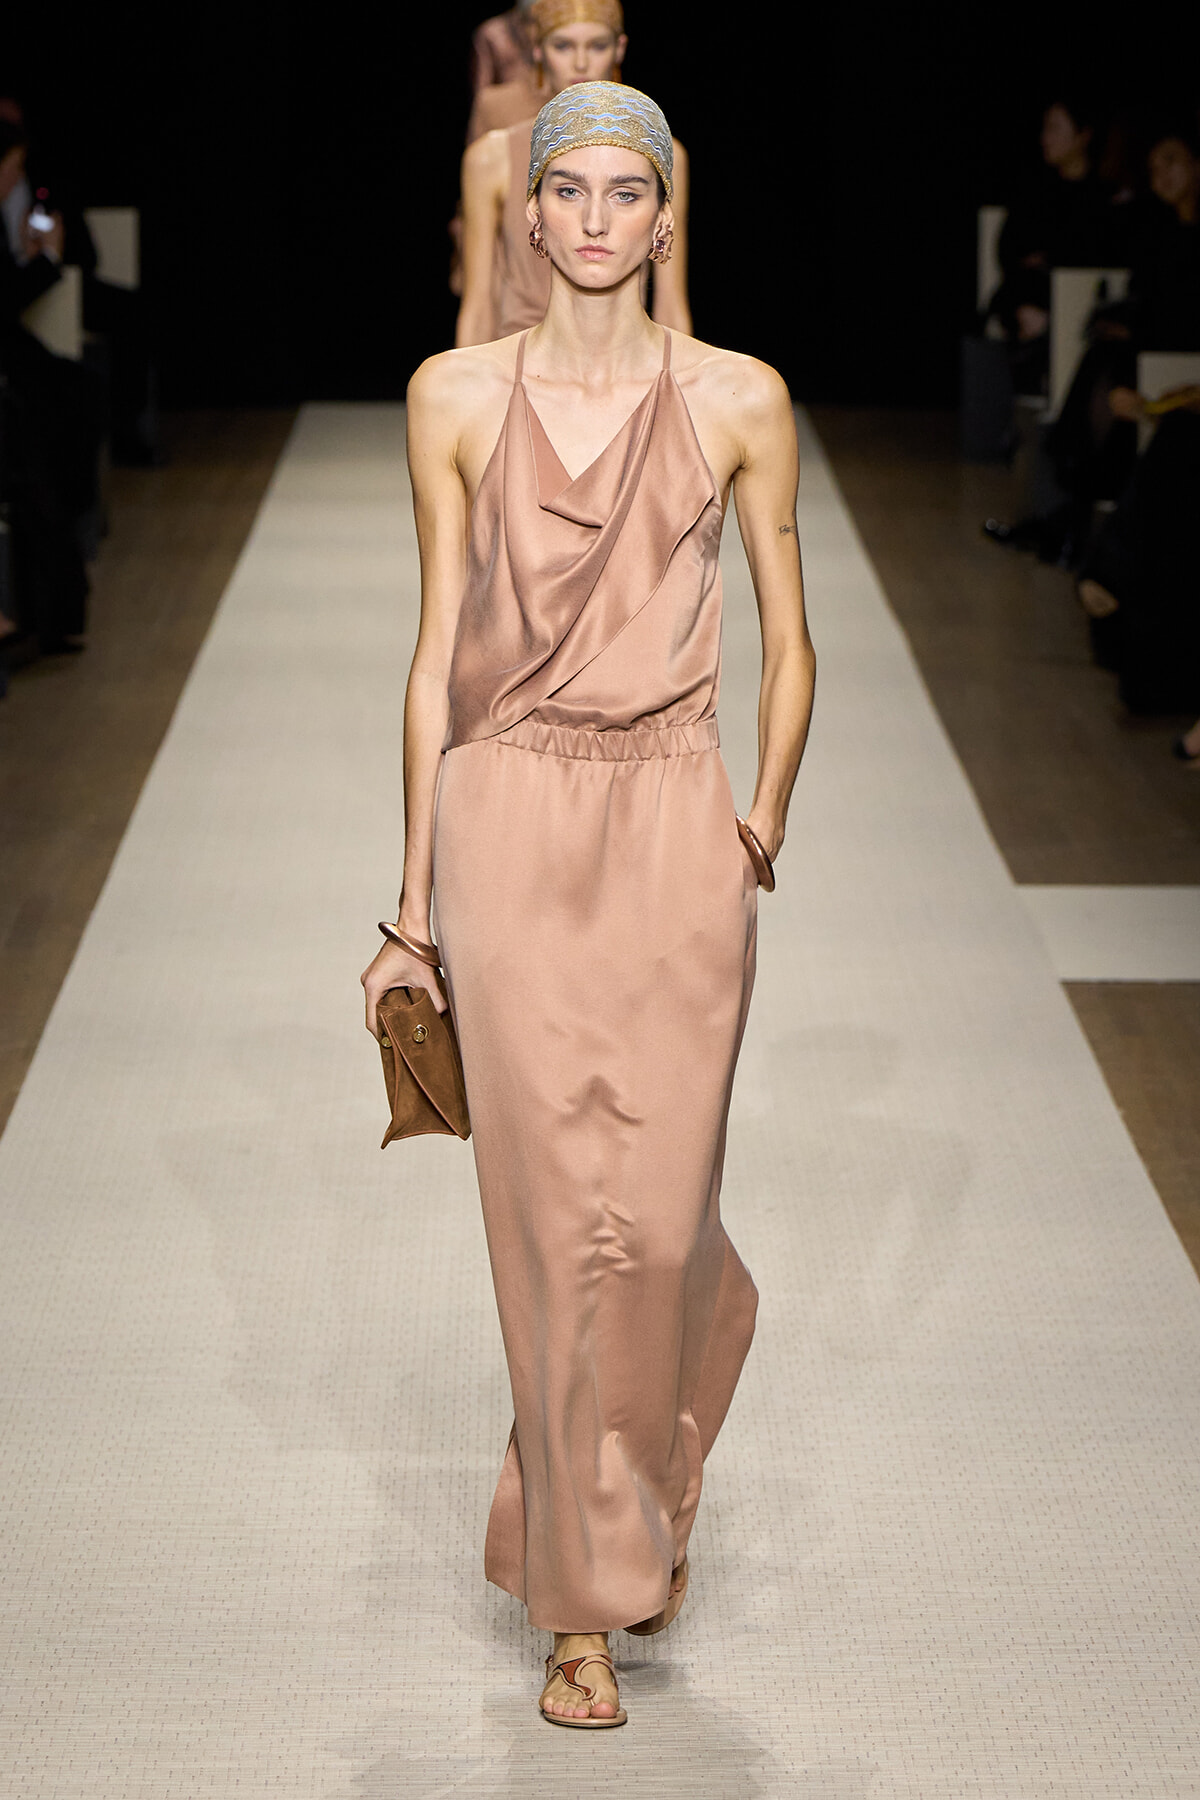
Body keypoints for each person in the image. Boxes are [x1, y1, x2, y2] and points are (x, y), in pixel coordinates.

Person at [362, 82, 814, 1728]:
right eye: (576, 191)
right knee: (558, 1230)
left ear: (667, 214)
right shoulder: (455, 395)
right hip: (510, 821)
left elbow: (791, 627)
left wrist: (760, 808)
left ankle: (643, 1479)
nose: (603, 218)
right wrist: (411, 909)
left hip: (679, 822)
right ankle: (584, 1607)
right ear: (530, 215)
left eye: (633, 191)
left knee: (671, 1211)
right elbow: (432, 655)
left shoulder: (743, 395)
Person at [456, 1, 692, 344]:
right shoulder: (492, 158)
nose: (581, 63)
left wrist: (678, 384)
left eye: (597, 45)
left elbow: (671, 303)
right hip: (518, 362)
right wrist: (471, 389)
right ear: (538, 50)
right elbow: (478, 306)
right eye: (563, 46)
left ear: (619, 48)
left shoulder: (659, 154)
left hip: (628, 363)